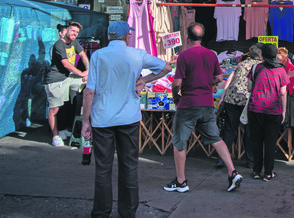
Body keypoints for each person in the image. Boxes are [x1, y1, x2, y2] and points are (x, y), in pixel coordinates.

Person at [82, 20, 172, 218]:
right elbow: (166, 68)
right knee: (129, 167)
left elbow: (89, 92)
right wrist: (144, 80)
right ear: (127, 36)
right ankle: (128, 212)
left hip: (102, 118)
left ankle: (100, 213)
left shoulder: (98, 55)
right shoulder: (137, 54)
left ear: (109, 36)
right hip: (128, 118)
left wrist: (85, 121)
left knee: (103, 169)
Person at [164, 22, 243, 193]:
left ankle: (181, 181)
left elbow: (177, 83)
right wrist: (208, 83)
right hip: (206, 103)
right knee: (216, 138)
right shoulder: (211, 55)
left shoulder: (184, 56)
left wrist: (176, 95)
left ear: (187, 36)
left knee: (179, 142)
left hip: (188, 104)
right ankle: (232, 172)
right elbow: (218, 77)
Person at [247, 43, 289, 181]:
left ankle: (257, 171)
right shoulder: (281, 70)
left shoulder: (255, 68)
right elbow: (283, 93)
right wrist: (283, 110)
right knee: (270, 142)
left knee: (256, 141)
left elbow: (249, 88)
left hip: (256, 109)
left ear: (262, 55)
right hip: (274, 111)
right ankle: (269, 172)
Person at [216, 44, 263, 169]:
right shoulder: (259, 66)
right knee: (249, 131)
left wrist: (223, 96)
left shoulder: (241, 64)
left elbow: (230, 79)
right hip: (247, 100)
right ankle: (251, 161)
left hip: (231, 99)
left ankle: (222, 159)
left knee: (230, 130)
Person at [45, 20, 90, 147]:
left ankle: (84, 124)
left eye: (77, 32)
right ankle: (55, 136)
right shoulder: (59, 44)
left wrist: (88, 72)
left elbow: (83, 55)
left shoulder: (74, 42)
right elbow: (65, 64)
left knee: (90, 85)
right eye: (72, 30)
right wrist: (81, 74)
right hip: (56, 79)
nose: (74, 33)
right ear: (66, 31)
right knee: (55, 108)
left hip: (69, 77)